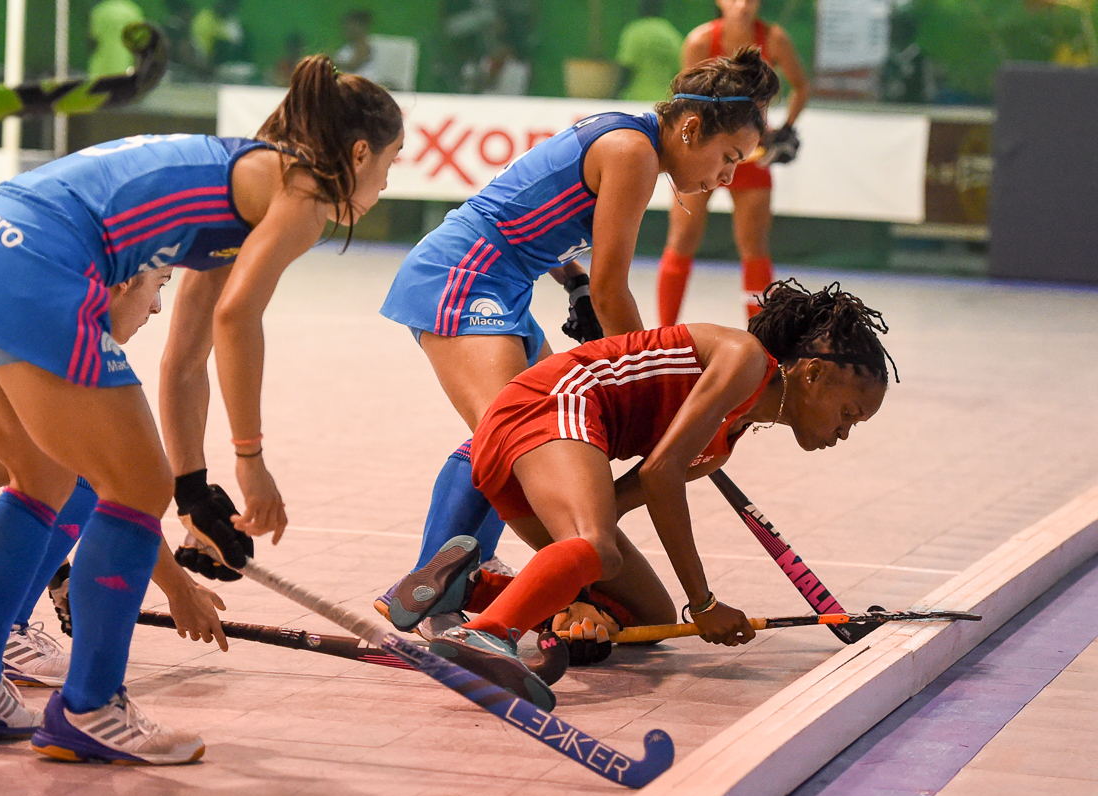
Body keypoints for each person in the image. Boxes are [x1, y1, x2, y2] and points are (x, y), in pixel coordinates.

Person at [0, 54, 403, 764]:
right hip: (38, 266)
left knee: (41, 476)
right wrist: (252, 460)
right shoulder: (303, 195)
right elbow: (237, 321)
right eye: (390, 163)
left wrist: (195, 490)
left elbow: (185, 355)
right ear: (358, 153)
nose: (387, 182)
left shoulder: (244, 180)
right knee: (132, 487)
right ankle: (90, 707)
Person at [375, 47, 780, 638]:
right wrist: (657, 380)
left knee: (525, 428)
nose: (728, 176)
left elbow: (539, 207)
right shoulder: (633, 154)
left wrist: (575, 285)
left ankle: (462, 572)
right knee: (512, 431)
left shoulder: (628, 137)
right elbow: (616, 288)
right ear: (691, 128)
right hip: (465, 272)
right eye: (728, 156)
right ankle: (429, 587)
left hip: (499, 277)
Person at [388, 280, 895, 708]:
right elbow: (659, 474)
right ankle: (489, 634)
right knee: (596, 546)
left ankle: (465, 589)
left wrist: (584, 591)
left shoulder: (720, 447)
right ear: (812, 373)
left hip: (538, 443)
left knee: (647, 613)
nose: (844, 432)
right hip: (551, 403)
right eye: (849, 413)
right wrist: (703, 602)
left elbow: (619, 497)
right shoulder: (743, 358)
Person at [0, 275, 230, 689]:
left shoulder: (26, 301)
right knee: (78, 452)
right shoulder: (63, 335)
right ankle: (1, 641)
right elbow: (108, 469)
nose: (158, 307)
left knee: (56, 450)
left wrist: (51, 563)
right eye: (159, 284)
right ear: (125, 281)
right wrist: (180, 589)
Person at [656, 0, 810, 324]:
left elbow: (802, 86)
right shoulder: (700, 41)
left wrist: (785, 130)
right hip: (701, 153)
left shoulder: (774, 38)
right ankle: (663, 337)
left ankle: (760, 338)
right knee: (682, 238)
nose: (741, 4)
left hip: (752, 155)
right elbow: (683, 103)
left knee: (754, 247)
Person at [615, 0, 684, 103]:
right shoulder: (671, 34)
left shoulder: (634, 31)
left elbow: (626, 69)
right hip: (663, 100)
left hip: (635, 99)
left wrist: (615, 95)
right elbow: (678, 72)